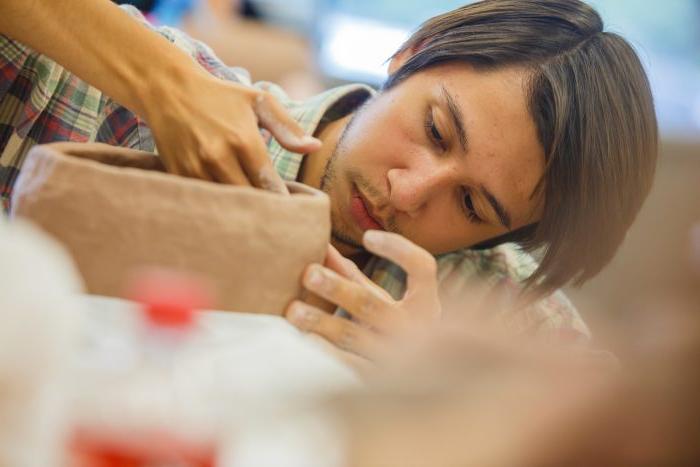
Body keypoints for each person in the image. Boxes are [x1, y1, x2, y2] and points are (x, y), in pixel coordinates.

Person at [0, 0, 657, 361]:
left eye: (470, 204)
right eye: (434, 129)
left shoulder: (507, 321)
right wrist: (158, 77)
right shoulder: (159, 96)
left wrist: (430, 406)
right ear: (408, 57)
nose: (407, 192)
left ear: (505, 238)